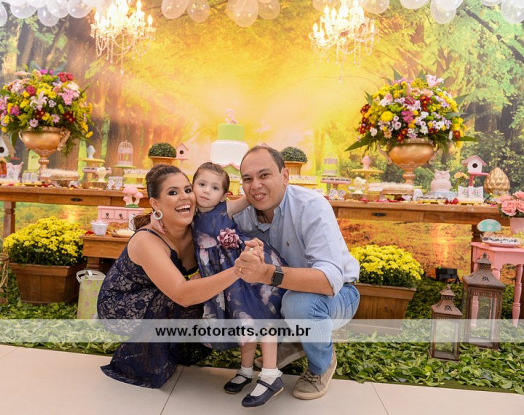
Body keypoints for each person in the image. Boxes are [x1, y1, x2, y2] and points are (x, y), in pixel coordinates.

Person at [232, 145, 361, 400]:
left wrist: (266, 273)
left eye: (264, 175)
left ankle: (321, 365)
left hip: (338, 295)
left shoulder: (311, 206)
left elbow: (329, 281)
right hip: (283, 291)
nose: (255, 185)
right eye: (247, 179)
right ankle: (293, 341)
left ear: (285, 176)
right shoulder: (244, 213)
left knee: (299, 304)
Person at [97, 164, 241, 389]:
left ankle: (176, 346)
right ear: (155, 203)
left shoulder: (199, 225)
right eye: (173, 192)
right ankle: (145, 359)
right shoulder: (147, 240)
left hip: (164, 292)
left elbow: (216, 183)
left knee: (204, 290)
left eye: (187, 190)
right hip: (123, 305)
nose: (184, 197)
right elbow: (182, 294)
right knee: (187, 293)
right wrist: (237, 271)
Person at [190, 162, 287, 407]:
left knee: (260, 313)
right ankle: (246, 370)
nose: (206, 191)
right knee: (243, 318)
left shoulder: (226, 208)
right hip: (223, 278)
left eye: (214, 188)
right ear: (192, 186)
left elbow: (251, 198)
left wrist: (273, 182)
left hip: (245, 266)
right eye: (201, 184)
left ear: (224, 195)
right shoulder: (188, 212)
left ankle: (270, 373)